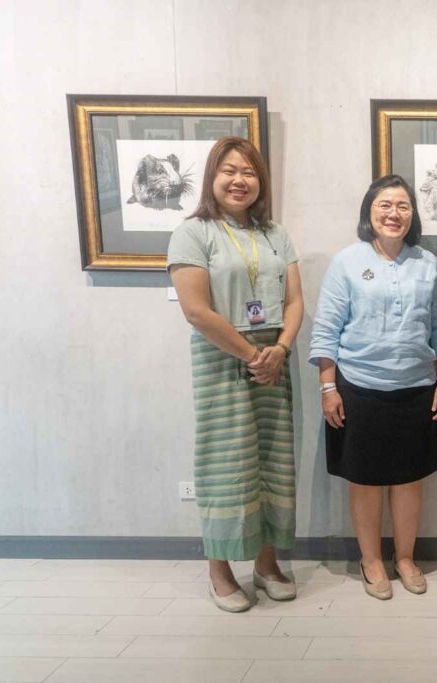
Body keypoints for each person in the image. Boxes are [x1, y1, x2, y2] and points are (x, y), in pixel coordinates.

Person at [167, 136, 303, 613]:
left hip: (275, 358)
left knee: (272, 461)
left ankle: (267, 564)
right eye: (229, 170)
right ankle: (219, 571)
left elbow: (295, 301)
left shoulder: (276, 234)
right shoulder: (192, 233)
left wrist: (280, 349)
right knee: (226, 462)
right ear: (212, 176)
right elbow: (197, 311)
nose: (239, 180)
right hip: (222, 355)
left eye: (248, 172)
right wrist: (251, 354)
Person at [309, 175, 437, 600]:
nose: (394, 214)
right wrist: (327, 388)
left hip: (417, 388)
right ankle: (372, 560)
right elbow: (326, 331)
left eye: (403, 206)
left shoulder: (426, 263)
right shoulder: (346, 262)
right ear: (369, 212)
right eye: (385, 205)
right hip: (358, 388)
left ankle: (405, 558)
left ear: (413, 214)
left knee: (410, 479)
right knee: (366, 480)